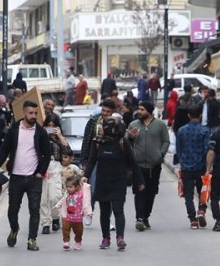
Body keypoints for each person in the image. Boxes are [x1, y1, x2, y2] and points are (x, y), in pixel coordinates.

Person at [0, 100, 53, 251]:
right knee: (12, 210)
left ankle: (32, 240)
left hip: (34, 179)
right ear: (24, 113)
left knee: (34, 210)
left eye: (35, 113)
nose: (33, 116)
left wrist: (41, 172)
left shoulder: (40, 132)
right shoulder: (14, 129)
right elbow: (4, 150)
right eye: (30, 113)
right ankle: (14, 229)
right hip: (16, 177)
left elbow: (47, 153)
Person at [84, 110, 143, 250]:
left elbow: (133, 163)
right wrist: (85, 176)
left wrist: (140, 181)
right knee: (104, 212)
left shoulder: (123, 143)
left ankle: (120, 238)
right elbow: (91, 161)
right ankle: (105, 238)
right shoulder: (97, 143)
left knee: (118, 210)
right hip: (103, 181)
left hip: (118, 181)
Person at [128, 100, 170, 231]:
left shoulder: (160, 125)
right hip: (138, 166)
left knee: (151, 193)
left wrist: (160, 154)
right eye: (138, 109)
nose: (139, 112)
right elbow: (126, 143)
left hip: (154, 166)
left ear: (149, 111)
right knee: (139, 192)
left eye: (142, 109)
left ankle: (146, 216)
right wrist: (131, 138)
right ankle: (139, 218)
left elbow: (166, 141)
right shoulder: (133, 125)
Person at [177, 105, 211, 228]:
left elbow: (179, 150)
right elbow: (208, 149)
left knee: (188, 195)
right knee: (202, 191)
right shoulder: (205, 130)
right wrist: (208, 167)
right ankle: (201, 210)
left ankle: (193, 221)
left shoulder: (181, 131)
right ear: (200, 116)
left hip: (186, 167)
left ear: (188, 116)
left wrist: (182, 162)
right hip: (201, 166)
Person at [38, 111, 68, 235]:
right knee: (43, 198)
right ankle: (45, 223)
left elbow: (68, 151)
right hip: (42, 167)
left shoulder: (60, 138)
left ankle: (55, 217)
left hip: (55, 166)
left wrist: (60, 136)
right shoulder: (40, 136)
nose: (51, 128)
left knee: (54, 196)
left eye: (53, 126)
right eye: (48, 125)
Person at [54, 176, 91, 250]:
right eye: (67, 187)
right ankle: (66, 242)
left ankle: (78, 242)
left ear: (77, 187)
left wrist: (88, 212)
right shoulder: (67, 193)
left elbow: (87, 200)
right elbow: (63, 200)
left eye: (70, 187)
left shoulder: (81, 193)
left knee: (78, 232)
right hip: (67, 216)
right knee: (65, 229)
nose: (68, 189)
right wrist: (57, 205)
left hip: (77, 218)